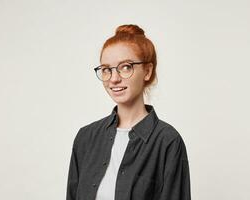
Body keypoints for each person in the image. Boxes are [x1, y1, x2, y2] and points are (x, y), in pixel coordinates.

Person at [66, 24, 191, 200]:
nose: (114, 79)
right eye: (106, 69)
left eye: (126, 67)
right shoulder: (86, 138)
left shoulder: (168, 142)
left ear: (147, 71)